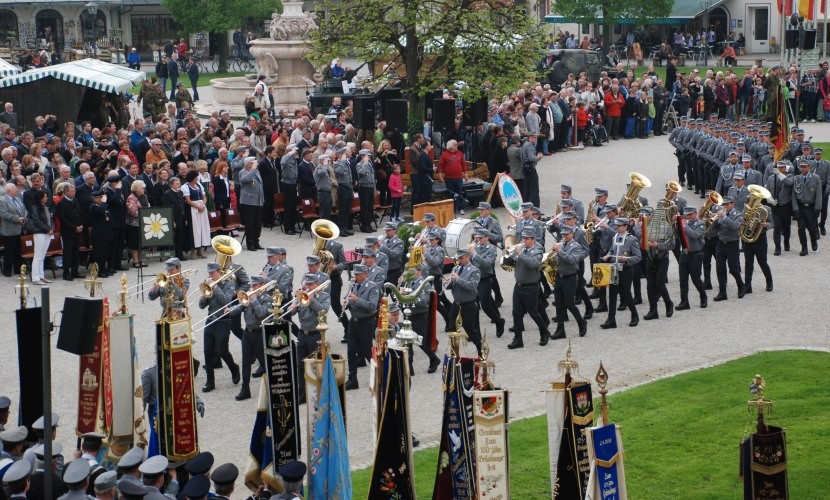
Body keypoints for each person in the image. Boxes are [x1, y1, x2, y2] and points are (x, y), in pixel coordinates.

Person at [501, 229, 551, 349]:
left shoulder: (537, 251)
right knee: (516, 313)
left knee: (533, 312)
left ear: (533, 240)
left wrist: (520, 254)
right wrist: (508, 253)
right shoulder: (521, 250)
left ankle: (544, 331)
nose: (524, 241)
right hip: (518, 286)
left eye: (527, 239)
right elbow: (509, 264)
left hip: (531, 287)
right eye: (524, 239)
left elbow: (533, 264)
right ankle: (518, 339)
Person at [286, 273, 330, 405]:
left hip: (316, 334)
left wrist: (311, 300)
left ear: (317, 284)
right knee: (300, 365)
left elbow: (323, 310)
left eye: (311, 284)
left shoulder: (324, 296)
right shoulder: (301, 294)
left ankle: (318, 392)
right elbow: (291, 312)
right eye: (307, 284)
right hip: (302, 333)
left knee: (316, 365)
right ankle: (302, 393)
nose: (308, 287)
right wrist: (293, 304)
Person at [227, 275, 272, 401]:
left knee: (264, 362)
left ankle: (273, 386)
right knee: (245, 361)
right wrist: (229, 310)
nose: (252, 288)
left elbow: (262, 314)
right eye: (252, 285)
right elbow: (240, 307)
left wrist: (255, 300)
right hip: (247, 333)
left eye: (255, 285)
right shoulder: (248, 298)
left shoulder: (267, 299)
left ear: (262, 285)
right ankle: (245, 388)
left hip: (259, 333)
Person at [198, 262, 240, 393]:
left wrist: (215, 288)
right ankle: (210, 381)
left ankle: (234, 368)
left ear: (219, 272)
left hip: (223, 320)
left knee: (222, 350)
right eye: (209, 273)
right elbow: (201, 306)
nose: (210, 276)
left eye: (212, 273)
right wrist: (204, 297)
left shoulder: (229, 284)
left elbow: (226, 301)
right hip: (210, 319)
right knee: (207, 351)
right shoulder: (209, 284)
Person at [600, 218, 642, 329]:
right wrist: (608, 255)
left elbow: (638, 257)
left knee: (626, 294)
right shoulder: (615, 237)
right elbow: (612, 250)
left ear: (625, 226)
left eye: (619, 226)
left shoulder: (632, 240)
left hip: (625, 269)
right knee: (612, 294)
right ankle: (611, 319)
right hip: (614, 268)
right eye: (617, 226)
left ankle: (634, 315)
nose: (617, 227)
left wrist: (627, 259)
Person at [344, 264, 380, 391]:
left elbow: (372, 306)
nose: (356, 277)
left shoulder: (373, 287)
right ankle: (352, 379)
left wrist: (356, 299)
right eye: (355, 274)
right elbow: (347, 298)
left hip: (366, 322)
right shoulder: (352, 285)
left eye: (358, 275)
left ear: (366, 274)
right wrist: (346, 302)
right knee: (351, 350)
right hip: (354, 322)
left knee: (367, 351)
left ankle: (379, 374)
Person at [550, 224, 589, 339]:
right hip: (559, 277)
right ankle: (560, 329)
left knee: (569, 304)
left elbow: (572, 260)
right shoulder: (561, 244)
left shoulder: (576, 246)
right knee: (558, 304)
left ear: (572, 234)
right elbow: (556, 259)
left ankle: (581, 322)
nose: (564, 236)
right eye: (563, 234)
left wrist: (559, 252)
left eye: (566, 234)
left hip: (570, 278)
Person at [470, 228, 505, 337]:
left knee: (485, 305)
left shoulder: (492, 249)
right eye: (477, 238)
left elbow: (487, 264)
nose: (478, 240)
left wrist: (475, 255)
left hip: (485, 279)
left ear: (487, 238)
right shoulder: (474, 247)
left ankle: (499, 321)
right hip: (475, 279)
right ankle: (476, 333)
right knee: (475, 307)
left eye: (481, 238)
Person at [712, 196, 746, 300]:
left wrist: (724, 217)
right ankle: (722, 292)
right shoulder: (721, 214)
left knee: (733, 269)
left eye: (727, 204)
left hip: (732, 243)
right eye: (724, 205)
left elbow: (735, 226)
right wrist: (714, 219)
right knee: (720, 268)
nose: (725, 206)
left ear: (733, 204)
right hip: (721, 243)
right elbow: (714, 229)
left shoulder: (738, 215)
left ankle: (741, 285)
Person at [57, 183, 85, 281]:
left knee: (76, 252)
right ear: (66, 192)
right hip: (68, 232)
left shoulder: (75, 200)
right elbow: (63, 219)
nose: (74, 193)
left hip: (77, 230)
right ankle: (66, 272)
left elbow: (80, 214)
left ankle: (75, 271)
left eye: (74, 191)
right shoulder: (62, 203)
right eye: (72, 191)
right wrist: (74, 227)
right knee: (68, 252)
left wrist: (81, 225)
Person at [0, 183, 27, 277]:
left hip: (20, 228)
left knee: (18, 250)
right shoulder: (3, 201)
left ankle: (17, 269)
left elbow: (23, 209)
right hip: (9, 230)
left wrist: (24, 218)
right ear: (9, 190)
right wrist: (17, 218)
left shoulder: (18, 199)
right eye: (15, 188)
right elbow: (4, 214)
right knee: (9, 251)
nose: (17, 190)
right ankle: (7, 270)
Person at [239, 156, 265, 251]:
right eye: (253, 163)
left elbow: (260, 185)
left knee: (257, 224)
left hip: (258, 201)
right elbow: (245, 180)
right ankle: (250, 244)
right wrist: (253, 169)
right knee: (250, 223)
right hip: (248, 202)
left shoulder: (256, 171)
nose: (255, 164)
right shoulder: (243, 172)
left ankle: (256, 241)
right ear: (247, 164)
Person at [183, 170, 210, 258]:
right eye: (195, 178)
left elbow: (204, 197)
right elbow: (188, 200)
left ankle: (200, 250)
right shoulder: (185, 187)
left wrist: (203, 205)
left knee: (203, 228)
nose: (197, 179)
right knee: (195, 230)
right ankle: (193, 250)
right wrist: (198, 207)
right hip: (193, 209)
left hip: (201, 208)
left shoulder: (199, 185)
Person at [161, 176, 188, 262]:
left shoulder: (180, 193)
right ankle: (173, 255)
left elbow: (183, 206)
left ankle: (180, 254)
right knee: (174, 238)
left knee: (180, 237)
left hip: (181, 218)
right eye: (177, 184)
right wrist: (171, 220)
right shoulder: (167, 194)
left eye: (179, 183)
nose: (179, 185)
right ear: (171, 185)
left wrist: (186, 218)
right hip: (173, 219)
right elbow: (167, 209)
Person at [437, 139, 466, 215]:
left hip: (459, 177)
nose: (457, 146)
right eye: (455, 145)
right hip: (449, 178)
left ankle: (461, 208)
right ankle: (452, 209)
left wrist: (465, 174)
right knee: (450, 193)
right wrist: (440, 175)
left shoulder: (460, 153)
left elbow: (463, 164)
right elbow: (440, 166)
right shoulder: (444, 154)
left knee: (459, 192)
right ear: (451, 147)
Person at [125, 180, 150, 268]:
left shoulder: (144, 196)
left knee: (141, 242)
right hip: (134, 224)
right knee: (134, 243)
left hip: (143, 223)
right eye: (142, 188)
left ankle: (140, 259)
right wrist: (144, 214)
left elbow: (148, 206)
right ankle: (135, 261)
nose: (144, 190)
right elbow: (133, 212)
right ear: (137, 189)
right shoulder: (131, 198)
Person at [88, 190, 112, 277]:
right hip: (98, 234)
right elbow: (101, 212)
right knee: (99, 255)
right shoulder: (94, 206)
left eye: (101, 197)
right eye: (99, 197)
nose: (100, 199)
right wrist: (104, 203)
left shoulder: (102, 206)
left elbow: (108, 214)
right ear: (94, 198)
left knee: (105, 253)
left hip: (105, 233)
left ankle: (104, 269)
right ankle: (99, 271)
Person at [280, 145, 299, 234]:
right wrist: (289, 153)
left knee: (293, 207)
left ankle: (292, 226)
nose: (296, 153)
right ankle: (287, 228)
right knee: (288, 207)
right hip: (287, 184)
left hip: (293, 183)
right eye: (294, 151)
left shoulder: (294, 159)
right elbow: (283, 162)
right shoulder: (285, 158)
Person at [356, 148, 375, 232]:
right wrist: (365, 163)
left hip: (370, 187)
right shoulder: (359, 165)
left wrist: (374, 188)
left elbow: (372, 176)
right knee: (365, 207)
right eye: (367, 156)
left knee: (370, 207)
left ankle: (369, 223)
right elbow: (362, 173)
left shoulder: (369, 164)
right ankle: (364, 225)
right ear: (363, 156)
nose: (369, 157)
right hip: (364, 187)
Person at [521, 135, 542, 208]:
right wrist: (538, 157)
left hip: (525, 167)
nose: (536, 139)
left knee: (527, 187)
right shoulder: (529, 146)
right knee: (534, 187)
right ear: (529, 137)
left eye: (536, 137)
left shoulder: (525, 144)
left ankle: (526, 204)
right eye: (534, 137)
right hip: (530, 168)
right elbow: (531, 158)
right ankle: (535, 206)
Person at [314, 153, 334, 220]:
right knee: (324, 212)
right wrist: (325, 165)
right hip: (323, 192)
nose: (328, 163)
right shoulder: (319, 168)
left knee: (328, 211)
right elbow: (321, 173)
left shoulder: (325, 168)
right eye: (327, 161)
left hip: (328, 192)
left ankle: (326, 227)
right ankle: (322, 228)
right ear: (323, 160)